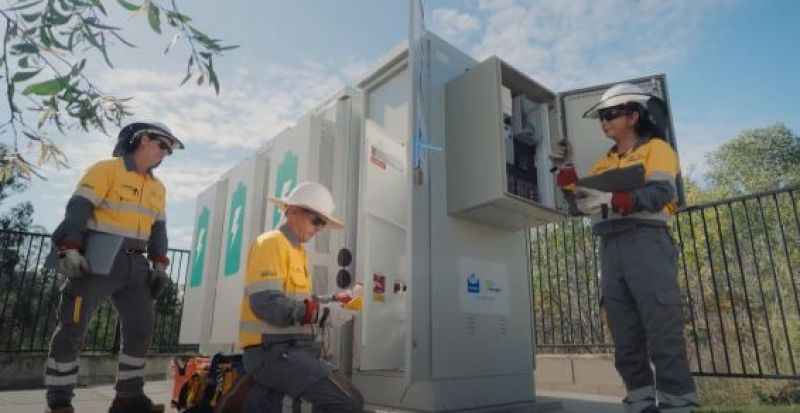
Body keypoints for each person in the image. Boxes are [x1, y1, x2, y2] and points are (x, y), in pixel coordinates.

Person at [551, 83, 699, 413]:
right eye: (601, 117)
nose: (604, 121)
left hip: (646, 241)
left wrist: (614, 200)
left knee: (662, 327)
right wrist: (565, 168)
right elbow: (579, 201)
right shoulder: (604, 163)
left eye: (610, 114)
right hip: (609, 246)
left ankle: (677, 404)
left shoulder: (656, 149)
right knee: (624, 333)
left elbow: (661, 194)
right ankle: (640, 401)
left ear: (633, 116)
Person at [45, 122, 184, 413]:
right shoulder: (106, 169)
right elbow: (78, 209)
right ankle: (59, 402)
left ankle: (128, 398)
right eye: (163, 146)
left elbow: (159, 230)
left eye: (169, 151)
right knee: (73, 327)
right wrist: (69, 248)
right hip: (96, 258)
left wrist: (159, 264)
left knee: (141, 329)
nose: (165, 154)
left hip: (136, 262)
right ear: (143, 140)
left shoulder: (158, 188)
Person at [238, 181, 364, 412]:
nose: (319, 228)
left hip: (294, 351)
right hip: (270, 353)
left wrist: (335, 300)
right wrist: (321, 314)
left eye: (323, 224)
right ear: (293, 210)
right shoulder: (271, 243)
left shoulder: (297, 252)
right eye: (317, 220)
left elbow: (302, 300)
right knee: (346, 404)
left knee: (355, 399)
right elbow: (265, 303)